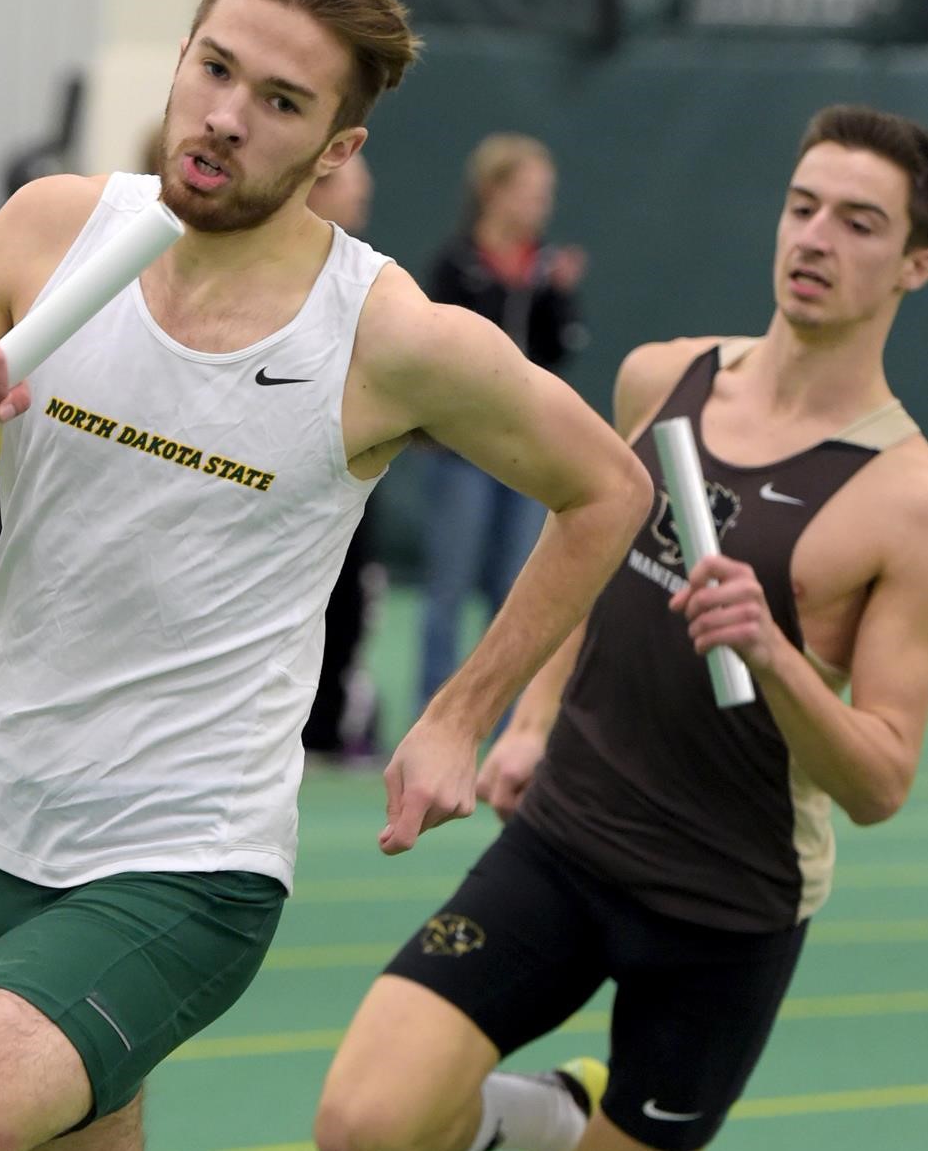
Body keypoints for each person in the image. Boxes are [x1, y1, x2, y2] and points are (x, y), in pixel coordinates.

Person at [0, 0, 651, 1151]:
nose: (224, 118)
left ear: (336, 148)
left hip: (185, 866)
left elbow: (609, 490)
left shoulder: (386, 335)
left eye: (280, 102)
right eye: (212, 70)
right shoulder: (50, 233)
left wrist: (465, 713)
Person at [315, 103, 928, 1151]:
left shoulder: (903, 495)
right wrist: (527, 722)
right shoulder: (664, 378)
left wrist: (774, 654)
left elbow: (879, 782)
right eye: (802, 207)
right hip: (565, 840)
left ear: (916, 263)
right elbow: (585, 556)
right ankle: (548, 1118)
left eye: (861, 223)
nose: (817, 238)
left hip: (727, 904)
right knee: (361, 1124)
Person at [417, 135, 588, 716]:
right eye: (532, 191)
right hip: (460, 453)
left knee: (515, 589)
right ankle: (431, 710)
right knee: (448, 588)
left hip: (526, 455)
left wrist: (557, 295)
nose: (542, 204)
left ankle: (504, 717)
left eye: (548, 194)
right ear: (494, 191)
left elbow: (561, 349)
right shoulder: (455, 264)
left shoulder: (545, 269)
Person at [301, 151, 385, 760]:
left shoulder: (371, 283)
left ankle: (329, 721)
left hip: (352, 469)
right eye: (356, 179)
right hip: (302, 475)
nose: (367, 189)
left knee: (352, 598)